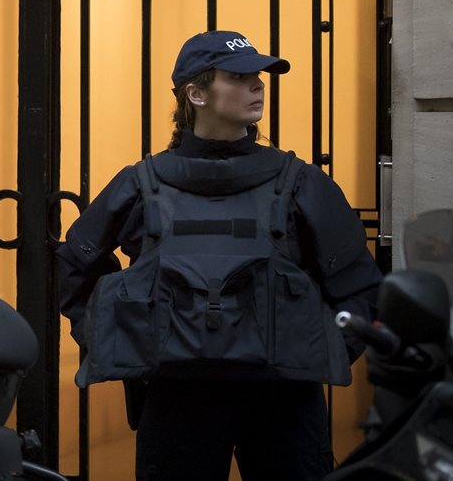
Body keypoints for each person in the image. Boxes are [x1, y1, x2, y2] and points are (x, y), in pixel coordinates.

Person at [57, 30, 383, 481]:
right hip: (178, 399)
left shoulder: (301, 183)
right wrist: (118, 337)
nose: (258, 86)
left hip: (283, 400)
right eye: (239, 76)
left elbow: (360, 286)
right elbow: (73, 265)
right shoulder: (141, 184)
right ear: (196, 93)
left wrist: (314, 350)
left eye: (260, 77)